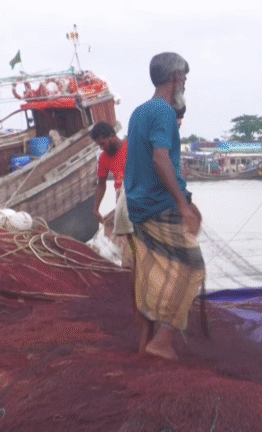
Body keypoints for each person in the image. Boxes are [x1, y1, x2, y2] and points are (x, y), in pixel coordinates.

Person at [124, 52, 204, 361]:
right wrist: (183, 206)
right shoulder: (165, 112)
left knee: (151, 270)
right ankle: (163, 339)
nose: (184, 82)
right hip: (160, 205)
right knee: (192, 267)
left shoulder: (139, 112)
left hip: (138, 205)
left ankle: (145, 342)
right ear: (174, 79)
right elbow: (160, 159)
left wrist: (187, 201)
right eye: (183, 77)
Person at [91, 121, 127, 224]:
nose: (102, 148)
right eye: (99, 145)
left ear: (111, 136)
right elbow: (101, 184)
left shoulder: (131, 147)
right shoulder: (103, 157)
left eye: (102, 144)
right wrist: (96, 209)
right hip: (122, 198)